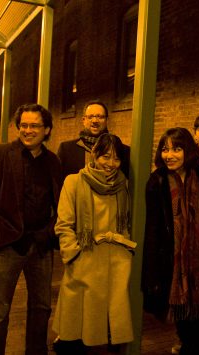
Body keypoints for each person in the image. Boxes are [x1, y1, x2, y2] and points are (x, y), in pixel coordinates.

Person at [0, 104, 62, 354]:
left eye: (34, 126)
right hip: (7, 246)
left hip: (40, 246)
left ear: (47, 130)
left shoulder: (53, 161)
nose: (28, 130)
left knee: (42, 307)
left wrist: (48, 234)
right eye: (23, 125)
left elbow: (63, 204)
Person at [142, 127, 199, 355]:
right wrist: (151, 273)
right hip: (173, 265)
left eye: (176, 149)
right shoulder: (156, 181)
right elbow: (152, 229)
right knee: (188, 330)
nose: (170, 155)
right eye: (165, 149)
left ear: (187, 150)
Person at [52, 134, 135, 354]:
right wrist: (73, 255)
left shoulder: (123, 185)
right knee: (77, 322)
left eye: (116, 159)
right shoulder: (74, 181)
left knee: (111, 323)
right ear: (94, 155)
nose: (110, 164)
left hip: (116, 261)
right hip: (85, 258)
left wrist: (126, 249)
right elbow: (63, 224)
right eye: (105, 157)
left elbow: (126, 220)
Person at [57, 99, 130, 178]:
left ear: (107, 120)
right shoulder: (66, 149)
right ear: (83, 120)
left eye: (100, 117)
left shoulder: (123, 151)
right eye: (90, 117)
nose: (95, 121)